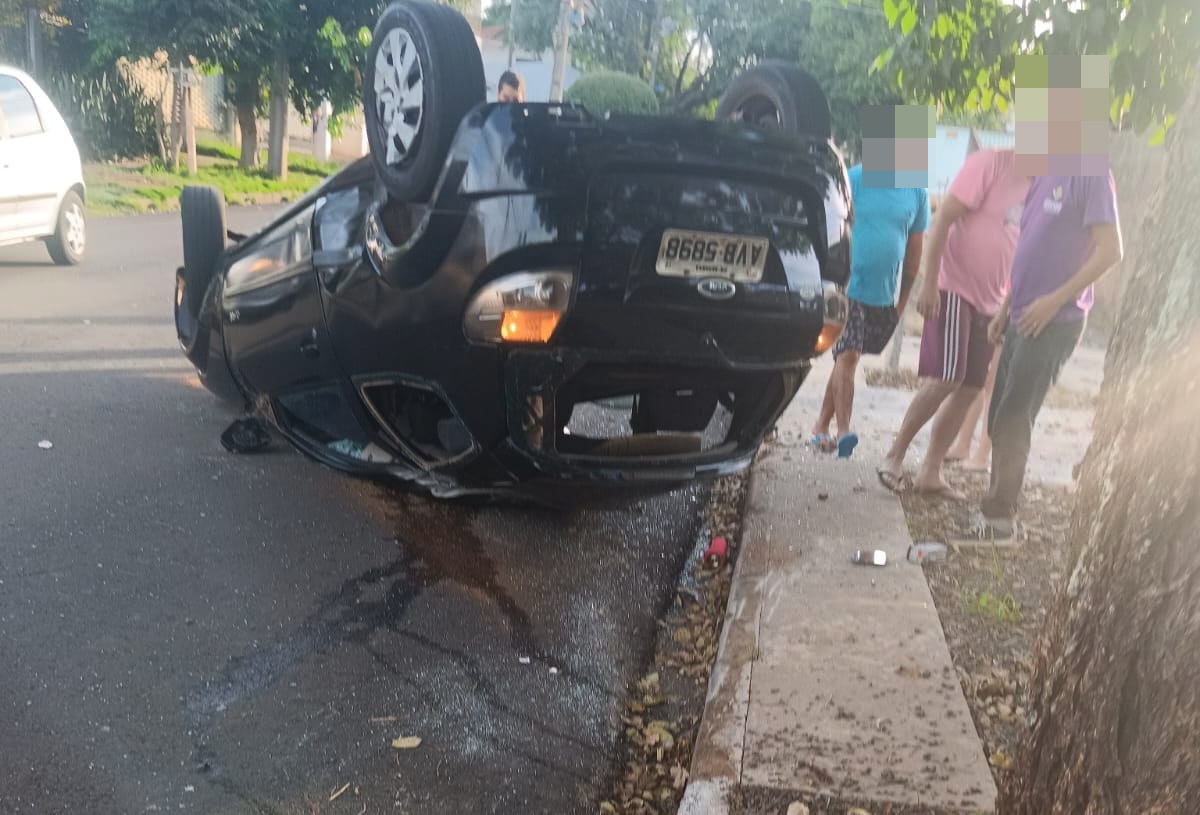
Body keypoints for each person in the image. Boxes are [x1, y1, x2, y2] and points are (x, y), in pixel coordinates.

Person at [973, 172, 1123, 539]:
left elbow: (1111, 250)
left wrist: (1055, 301)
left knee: (1014, 413)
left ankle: (999, 518)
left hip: (1055, 319)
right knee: (999, 413)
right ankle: (995, 505)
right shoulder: (1044, 174)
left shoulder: (1091, 172)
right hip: (1021, 313)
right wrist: (1006, 308)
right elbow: (1030, 246)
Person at [876, 148, 1029, 497]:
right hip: (954, 287)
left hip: (991, 300)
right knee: (946, 376)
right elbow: (943, 217)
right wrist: (929, 284)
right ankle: (894, 456)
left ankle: (930, 472)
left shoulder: (1045, 185)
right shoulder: (991, 163)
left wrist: (1007, 308)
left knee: (972, 388)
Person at [810, 162, 929, 458]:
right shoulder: (855, 179)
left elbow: (915, 254)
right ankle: (844, 431)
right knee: (848, 354)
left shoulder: (916, 192)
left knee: (847, 359)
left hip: (882, 293)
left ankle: (820, 427)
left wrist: (901, 304)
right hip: (845, 286)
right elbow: (829, 224)